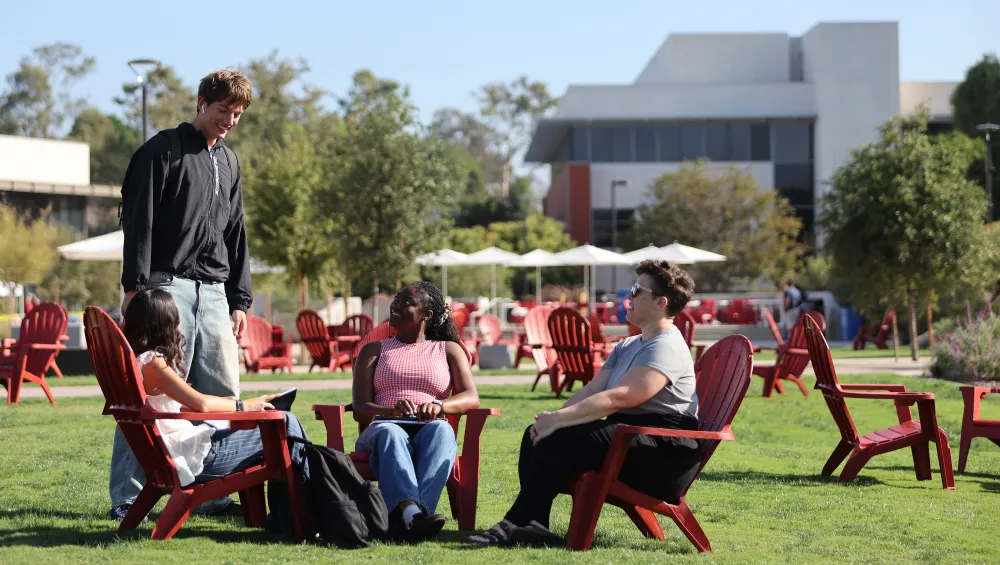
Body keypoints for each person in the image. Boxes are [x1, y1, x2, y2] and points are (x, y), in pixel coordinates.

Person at [467, 260, 702, 547]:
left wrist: (560, 422)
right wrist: (554, 417)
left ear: (660, 302)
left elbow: (621, 397)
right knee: (538, 434)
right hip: (631, 438)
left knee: (560, 438)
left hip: (663, 455)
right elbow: (594, 389)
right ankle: (535, 523)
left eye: (636, 289)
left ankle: (516, 521)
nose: (628, 296)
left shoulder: (666, 345)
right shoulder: (629, 345)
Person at [110, 69, 254, 520]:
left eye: (236, 114)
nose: (228, 120)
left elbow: (236, 233)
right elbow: (139, 222)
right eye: (221, 111)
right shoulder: (161, 151)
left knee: (224, 389)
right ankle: (129, 498)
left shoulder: (229, 163)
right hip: (164, 285)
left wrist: (240, 299)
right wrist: (135, 288)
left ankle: (216, 491)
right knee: (149, 394)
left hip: (214, 291)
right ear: (200, 103)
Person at [120, 289, 309, 525]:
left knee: (277, 428)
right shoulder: (153, 363)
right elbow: (200, 403)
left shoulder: (134, 362)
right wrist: (244, 405)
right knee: (285, 421)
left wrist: (240, 405)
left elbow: (195, 401)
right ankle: (305, 512)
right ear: (164, 324)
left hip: (166, 457)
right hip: (193, 459)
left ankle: (286, 515)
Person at [352, 282, 480, 541]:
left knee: (443, 430)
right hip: (381, 429)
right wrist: (391, 410)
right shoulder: (373, 350)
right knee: (391, 433)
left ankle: (409, 517)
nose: (396, 305)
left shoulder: (448, 350)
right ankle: (414, 515)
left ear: (427, 315)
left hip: (428, 428)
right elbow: (360, 409)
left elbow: (471, 397)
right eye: (396, 299)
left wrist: (440, 405)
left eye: (406, 302)